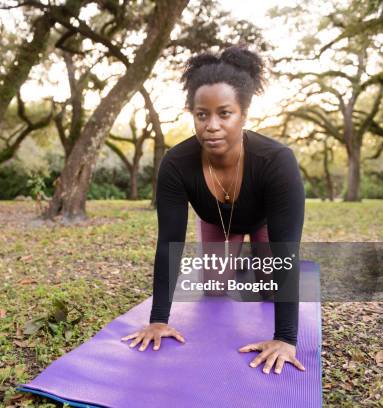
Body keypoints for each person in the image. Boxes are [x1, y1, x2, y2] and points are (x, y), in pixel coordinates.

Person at [121, 44, 306, 375]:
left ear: (243, 115)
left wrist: (285, 338)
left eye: (225, 113)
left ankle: (253, 262)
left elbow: (286, 252)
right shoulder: (176, 164)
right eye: (201, 114)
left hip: (263, 224)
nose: (212, 125)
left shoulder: (277, 161)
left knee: (268, 289)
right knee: (216, 291)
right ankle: (235, 259)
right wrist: (159, 320)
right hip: (217, 223)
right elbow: (168, 245)